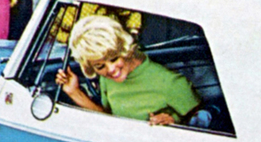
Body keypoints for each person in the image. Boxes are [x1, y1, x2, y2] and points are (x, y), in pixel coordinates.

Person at [56, 15, 200, 126]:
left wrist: (174, 120)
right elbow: (109, 120)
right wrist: (74, 92)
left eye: (114, 59)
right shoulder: (106, 79)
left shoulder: (171, 83)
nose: (111, 70)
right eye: (100, 66)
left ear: (124, 49)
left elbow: (205, 122)